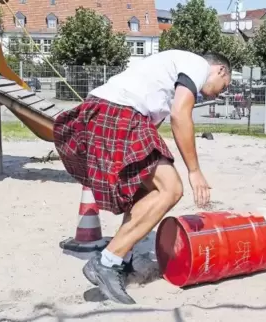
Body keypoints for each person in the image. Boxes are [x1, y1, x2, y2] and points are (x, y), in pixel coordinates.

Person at [53, 50, 231, 304]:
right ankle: (107, 262)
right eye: (223, 86)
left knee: (144, 191)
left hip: (111, 111)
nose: (217, 93)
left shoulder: (167, 74)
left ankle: (122, 260)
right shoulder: (198, 65)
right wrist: (194, 171)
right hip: (119, 111)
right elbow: (181, 115)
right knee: (171, 189)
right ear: (220, 70)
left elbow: (154, 125)